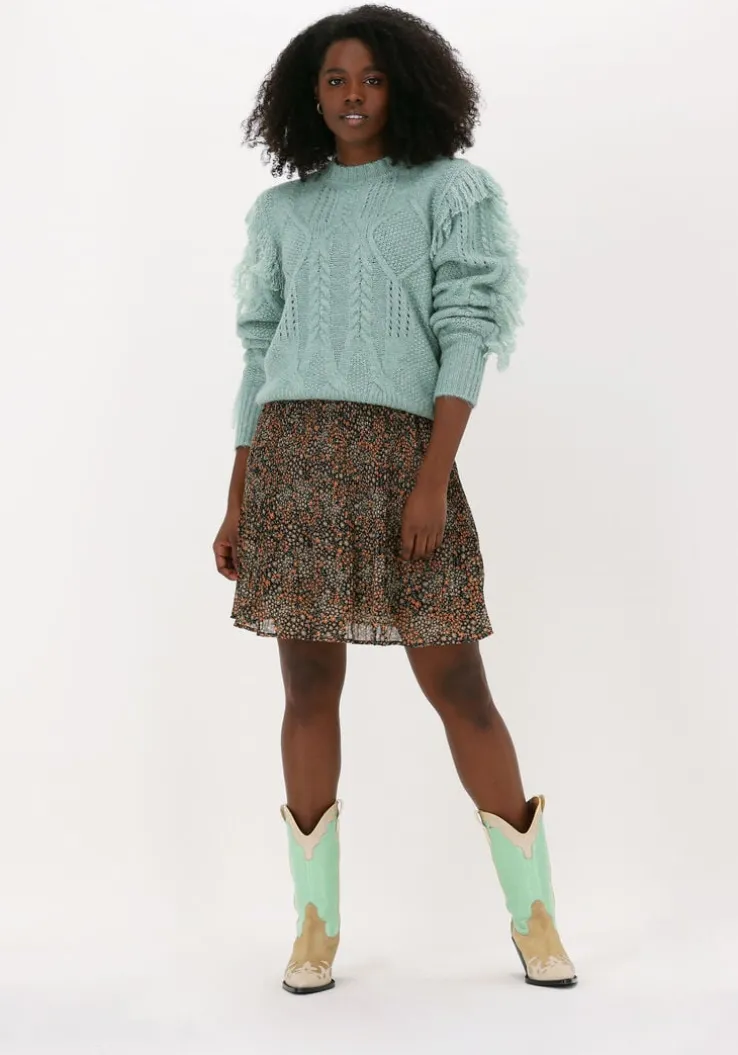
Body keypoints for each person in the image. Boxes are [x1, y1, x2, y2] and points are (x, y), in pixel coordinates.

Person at [213, 4, 577, 995]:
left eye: (372, 78)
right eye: (335, 79)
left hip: (402, 459)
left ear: (405, 87)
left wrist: (431, 477)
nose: (353, 96)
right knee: (306, 686)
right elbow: (260, 350)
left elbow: (466, 326)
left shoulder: (450, 191)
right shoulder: (281, 212)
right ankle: (314, 927)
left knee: (458, 682)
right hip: (293, 458)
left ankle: (535, 916)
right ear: (309, 93)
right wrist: (238, 494)